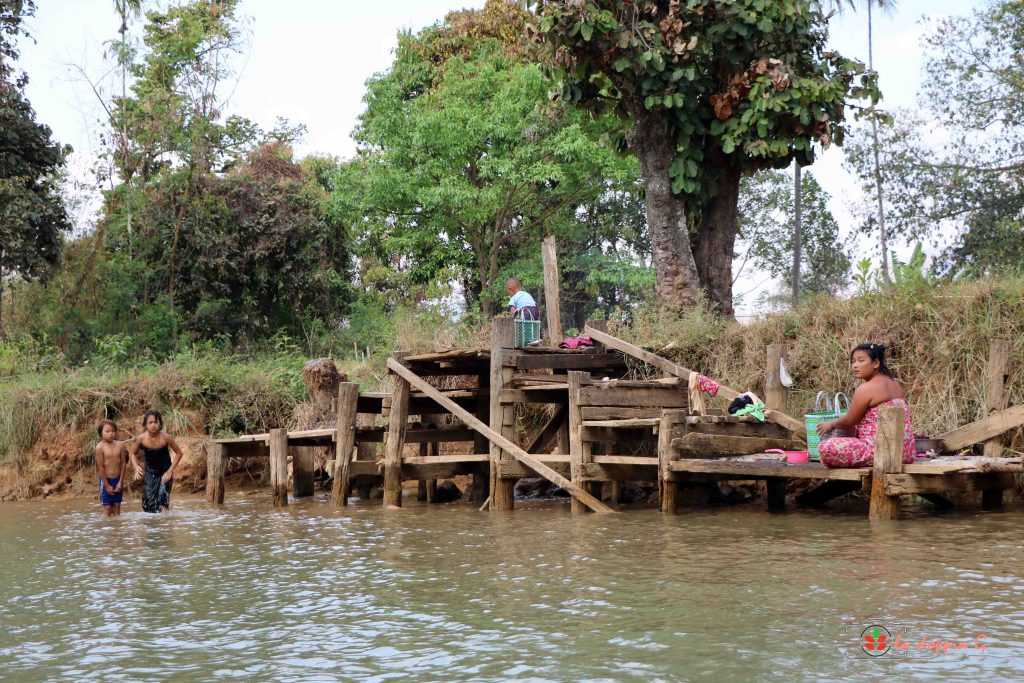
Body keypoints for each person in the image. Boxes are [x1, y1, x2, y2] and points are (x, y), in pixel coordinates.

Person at [817, 343, 915, 468]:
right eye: (853, 361)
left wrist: (831, 423)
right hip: (905, 453)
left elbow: (850, 420)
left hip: (882, 452)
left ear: (875, 363)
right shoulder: (895, 383)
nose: (855, 365)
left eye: (861, 360)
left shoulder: (866, 388)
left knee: (826, 447)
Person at [129, 410, 185, 513]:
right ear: (145, 425)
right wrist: (136, 467)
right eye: (150, 422)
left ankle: (164, 524)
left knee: (162, 501)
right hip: (150, 473)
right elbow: (132, 453)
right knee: (147, 505)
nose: (153, 425)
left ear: (160, 424)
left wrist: (170, 471)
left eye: (156, 422)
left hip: (165, 472)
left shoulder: (166, 437)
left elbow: (179, 453)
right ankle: (154, 526)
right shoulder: (141, 439)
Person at [94, 419, 127, 516]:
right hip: (105, 481)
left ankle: (117, 529)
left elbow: (124, 463)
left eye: (113, 431)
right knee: (107, 508)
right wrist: (107, 485)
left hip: (117, 480)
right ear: (101, 433)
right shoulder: (100, 447)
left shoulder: (120, 445)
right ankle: (107, 530)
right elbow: (100, 467)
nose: (111, 433)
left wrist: (120, 482)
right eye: (107, 431)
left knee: (117, 506)